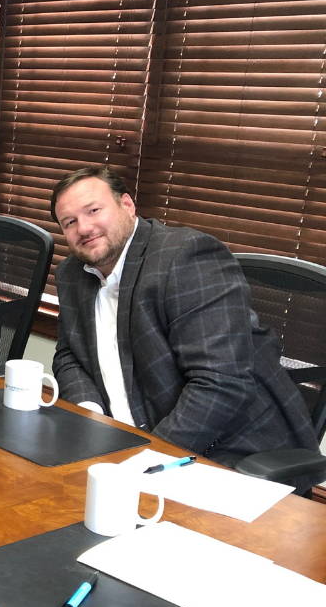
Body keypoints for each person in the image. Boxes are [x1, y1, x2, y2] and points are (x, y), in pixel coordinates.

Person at [50, 166, 318, 461]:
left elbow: (219, 384)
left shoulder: (186, 258)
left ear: (127, 205)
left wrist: (144, 460)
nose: (84, 228)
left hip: (227, 451)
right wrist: (90, 417)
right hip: (120, 441)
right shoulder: (72, 273)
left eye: (94, 210)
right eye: (70, 222)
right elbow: (69, 355)